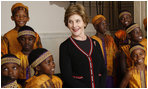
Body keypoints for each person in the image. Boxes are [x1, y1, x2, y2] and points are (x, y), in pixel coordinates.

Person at [60, 4, 107, 88]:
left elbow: (103, 71)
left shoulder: (95, 43)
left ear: (84, 22)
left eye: (78, 21)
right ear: (67, 24)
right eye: (70, 21)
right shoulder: (65, 46)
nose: (74, 25)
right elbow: (67, 78)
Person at [91, 14, 118, 88]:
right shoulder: (92, 40)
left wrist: (115, 70)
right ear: (96, 27)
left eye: (106, 24)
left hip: (110, 72)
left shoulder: (110, 39)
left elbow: (115, 55)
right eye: (103, 24)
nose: (105, 26)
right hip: (98, 73)